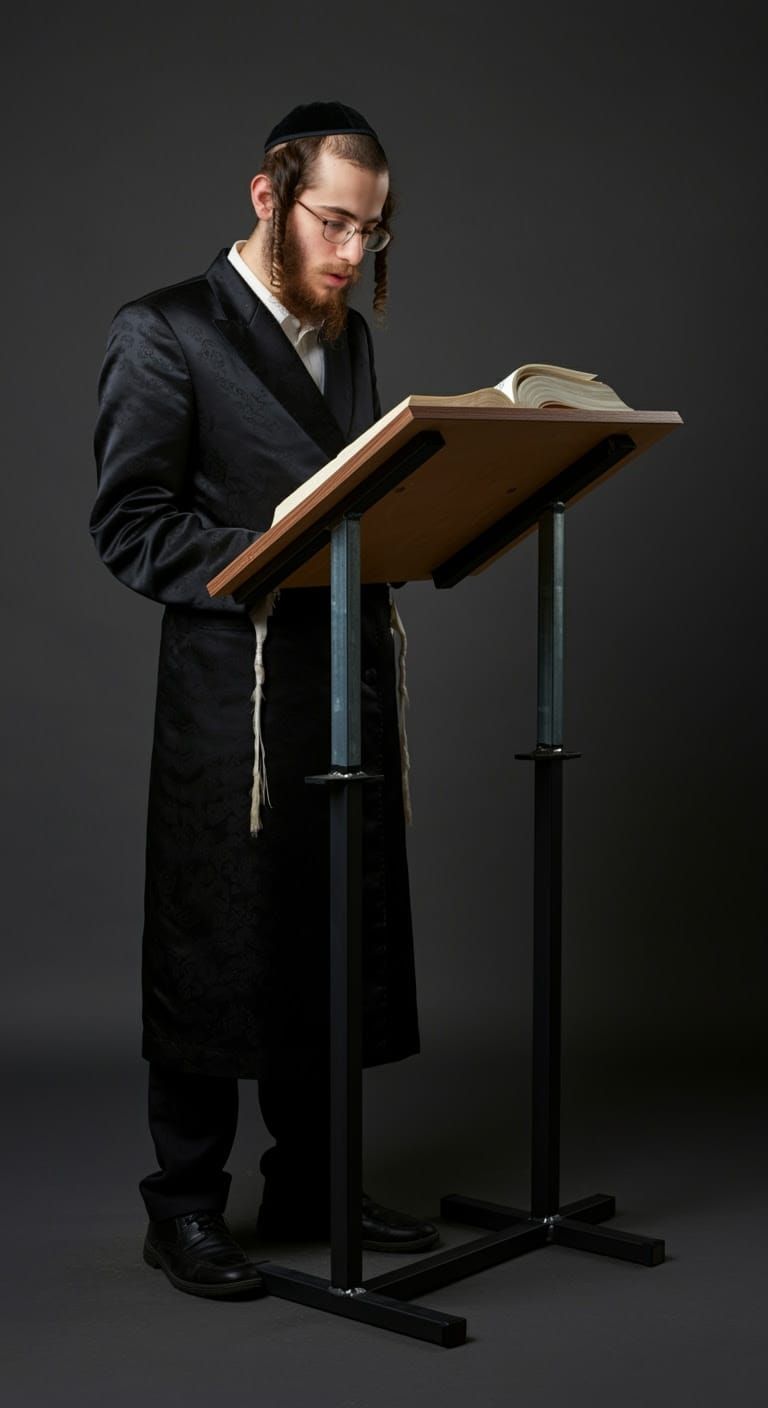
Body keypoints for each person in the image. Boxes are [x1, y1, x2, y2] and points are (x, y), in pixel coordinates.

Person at [90, 101, 438, 1301]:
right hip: (227, 693)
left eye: (371, 234)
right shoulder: (164, 332)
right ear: (267, 196)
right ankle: (183, 1206)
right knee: (215, 934)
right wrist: (266, 549)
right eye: (332, 223)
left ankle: (310, 1182)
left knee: (326, 926)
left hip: (338, 672)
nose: (351, 254)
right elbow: (129, 525)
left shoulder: (347, 342)